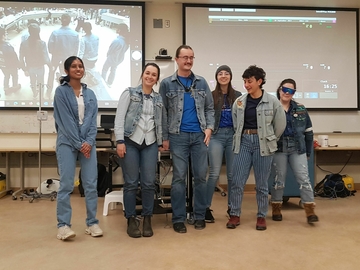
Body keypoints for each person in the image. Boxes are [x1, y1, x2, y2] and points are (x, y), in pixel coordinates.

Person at [159, 45, 215, 233]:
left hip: (200, 136)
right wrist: (165, 137)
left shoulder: (201, 83)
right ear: (177, 59)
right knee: (179, 178)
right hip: (178, 136)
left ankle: (199, 215)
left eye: (191, 57)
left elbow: (209, 108)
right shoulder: (167, 83)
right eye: (184, 57)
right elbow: (163, 112)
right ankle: (178, 218)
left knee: (200, 177)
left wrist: (209, 128)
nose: (188, 61)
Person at [226, 65, 286, 231]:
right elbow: (235, 122)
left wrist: (270, 139)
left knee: (261, 184)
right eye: (245, 81)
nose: (246, 85)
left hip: (263, 144)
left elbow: (280, 124)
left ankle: (261, 217)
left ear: (259, 81)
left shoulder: (272, 101)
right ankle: (235, 214)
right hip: (243, 142)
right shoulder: (240, 102)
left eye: (250, 81)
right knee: (237, 181)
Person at [53, 56, 103, 240]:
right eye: (74, 66)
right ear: (67, 70)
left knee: (90, 184)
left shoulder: (90, 94)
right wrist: (79, 143)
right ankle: (63, 226)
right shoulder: (61, 92)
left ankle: (92, 223)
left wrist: (88, 142)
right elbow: (65, 122)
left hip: (87, 144)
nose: (78, 69)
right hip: (67, 142)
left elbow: (91, 121)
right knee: (66, 185)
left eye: (80, 66)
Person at [114, 63, 164, 238]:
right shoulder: (129, 93)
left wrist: (162, 140)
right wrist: (119, 140)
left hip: (150, 143)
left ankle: (147, 218)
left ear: (157, 79)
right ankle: (130, 218)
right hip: (130, 142)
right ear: (142, 75)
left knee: (149, 183)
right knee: (131, 183)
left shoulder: (159, 99)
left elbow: (161, 121)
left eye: (154, 75)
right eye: (147, 73)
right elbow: (119, 118)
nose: (150, 77)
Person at [269, 78, 319, 224]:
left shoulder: (301, 108)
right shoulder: (272, 108)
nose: (287, 93)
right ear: (279, 90)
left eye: (291, 91)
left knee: (304, 179)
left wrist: (308, 152)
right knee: (279, 180)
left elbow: (309, 132)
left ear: (294, 93)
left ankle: (310, 211)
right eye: (285, 89)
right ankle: (276, 208)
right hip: (278, 148)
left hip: (298, 148)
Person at [205, 65, 241, 223]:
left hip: (233, 136)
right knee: (214, 173)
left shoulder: (238, 96)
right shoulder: (211, 96)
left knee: (233, 175)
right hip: (216, 136)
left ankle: (233, 208)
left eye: (227, 73)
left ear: (231, 77)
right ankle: (205, 208)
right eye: (220, 73)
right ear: (216, 77)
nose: (224, 76)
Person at [47, 13, 80, 98]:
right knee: (68, 75)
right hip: (68, 59)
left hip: (56, 57)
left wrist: (53, 52)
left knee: (51, 73)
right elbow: (76, 49)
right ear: (70, 21)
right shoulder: (75, 34)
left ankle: (49, 90)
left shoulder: (55, 33)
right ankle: (66, 92)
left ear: (61, 20)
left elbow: (50, 47)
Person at [19, 23, 50, 98]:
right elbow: (46, 57)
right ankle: (41, 96)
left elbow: (21, 58)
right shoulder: (42, 43)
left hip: (30, 67)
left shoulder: (23, 44)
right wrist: (50, 66)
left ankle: (34, 93)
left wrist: (24, 69)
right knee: (41, 82)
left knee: (32, 81)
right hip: (40, 67)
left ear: (29, 32)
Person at [101, 23, 129, 87]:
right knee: (113, 70)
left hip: (112, 58)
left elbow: (110, 50)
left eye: (117, 28)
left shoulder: (117, 41)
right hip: (119, 59)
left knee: (105, 69)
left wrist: (107, 55)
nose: (116, 29)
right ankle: (109, 83)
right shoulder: (126, 41)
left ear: (120, 30)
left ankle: (103, 82)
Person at [0, 27, 21, 96]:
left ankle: (6, 89)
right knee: (14, 75)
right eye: (5, 34)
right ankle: (15, 87)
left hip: (2, 66)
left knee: (6, 76)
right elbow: (13, 56)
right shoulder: (7, 45)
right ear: (3, 36)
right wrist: (18, 64)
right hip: (11, 66)